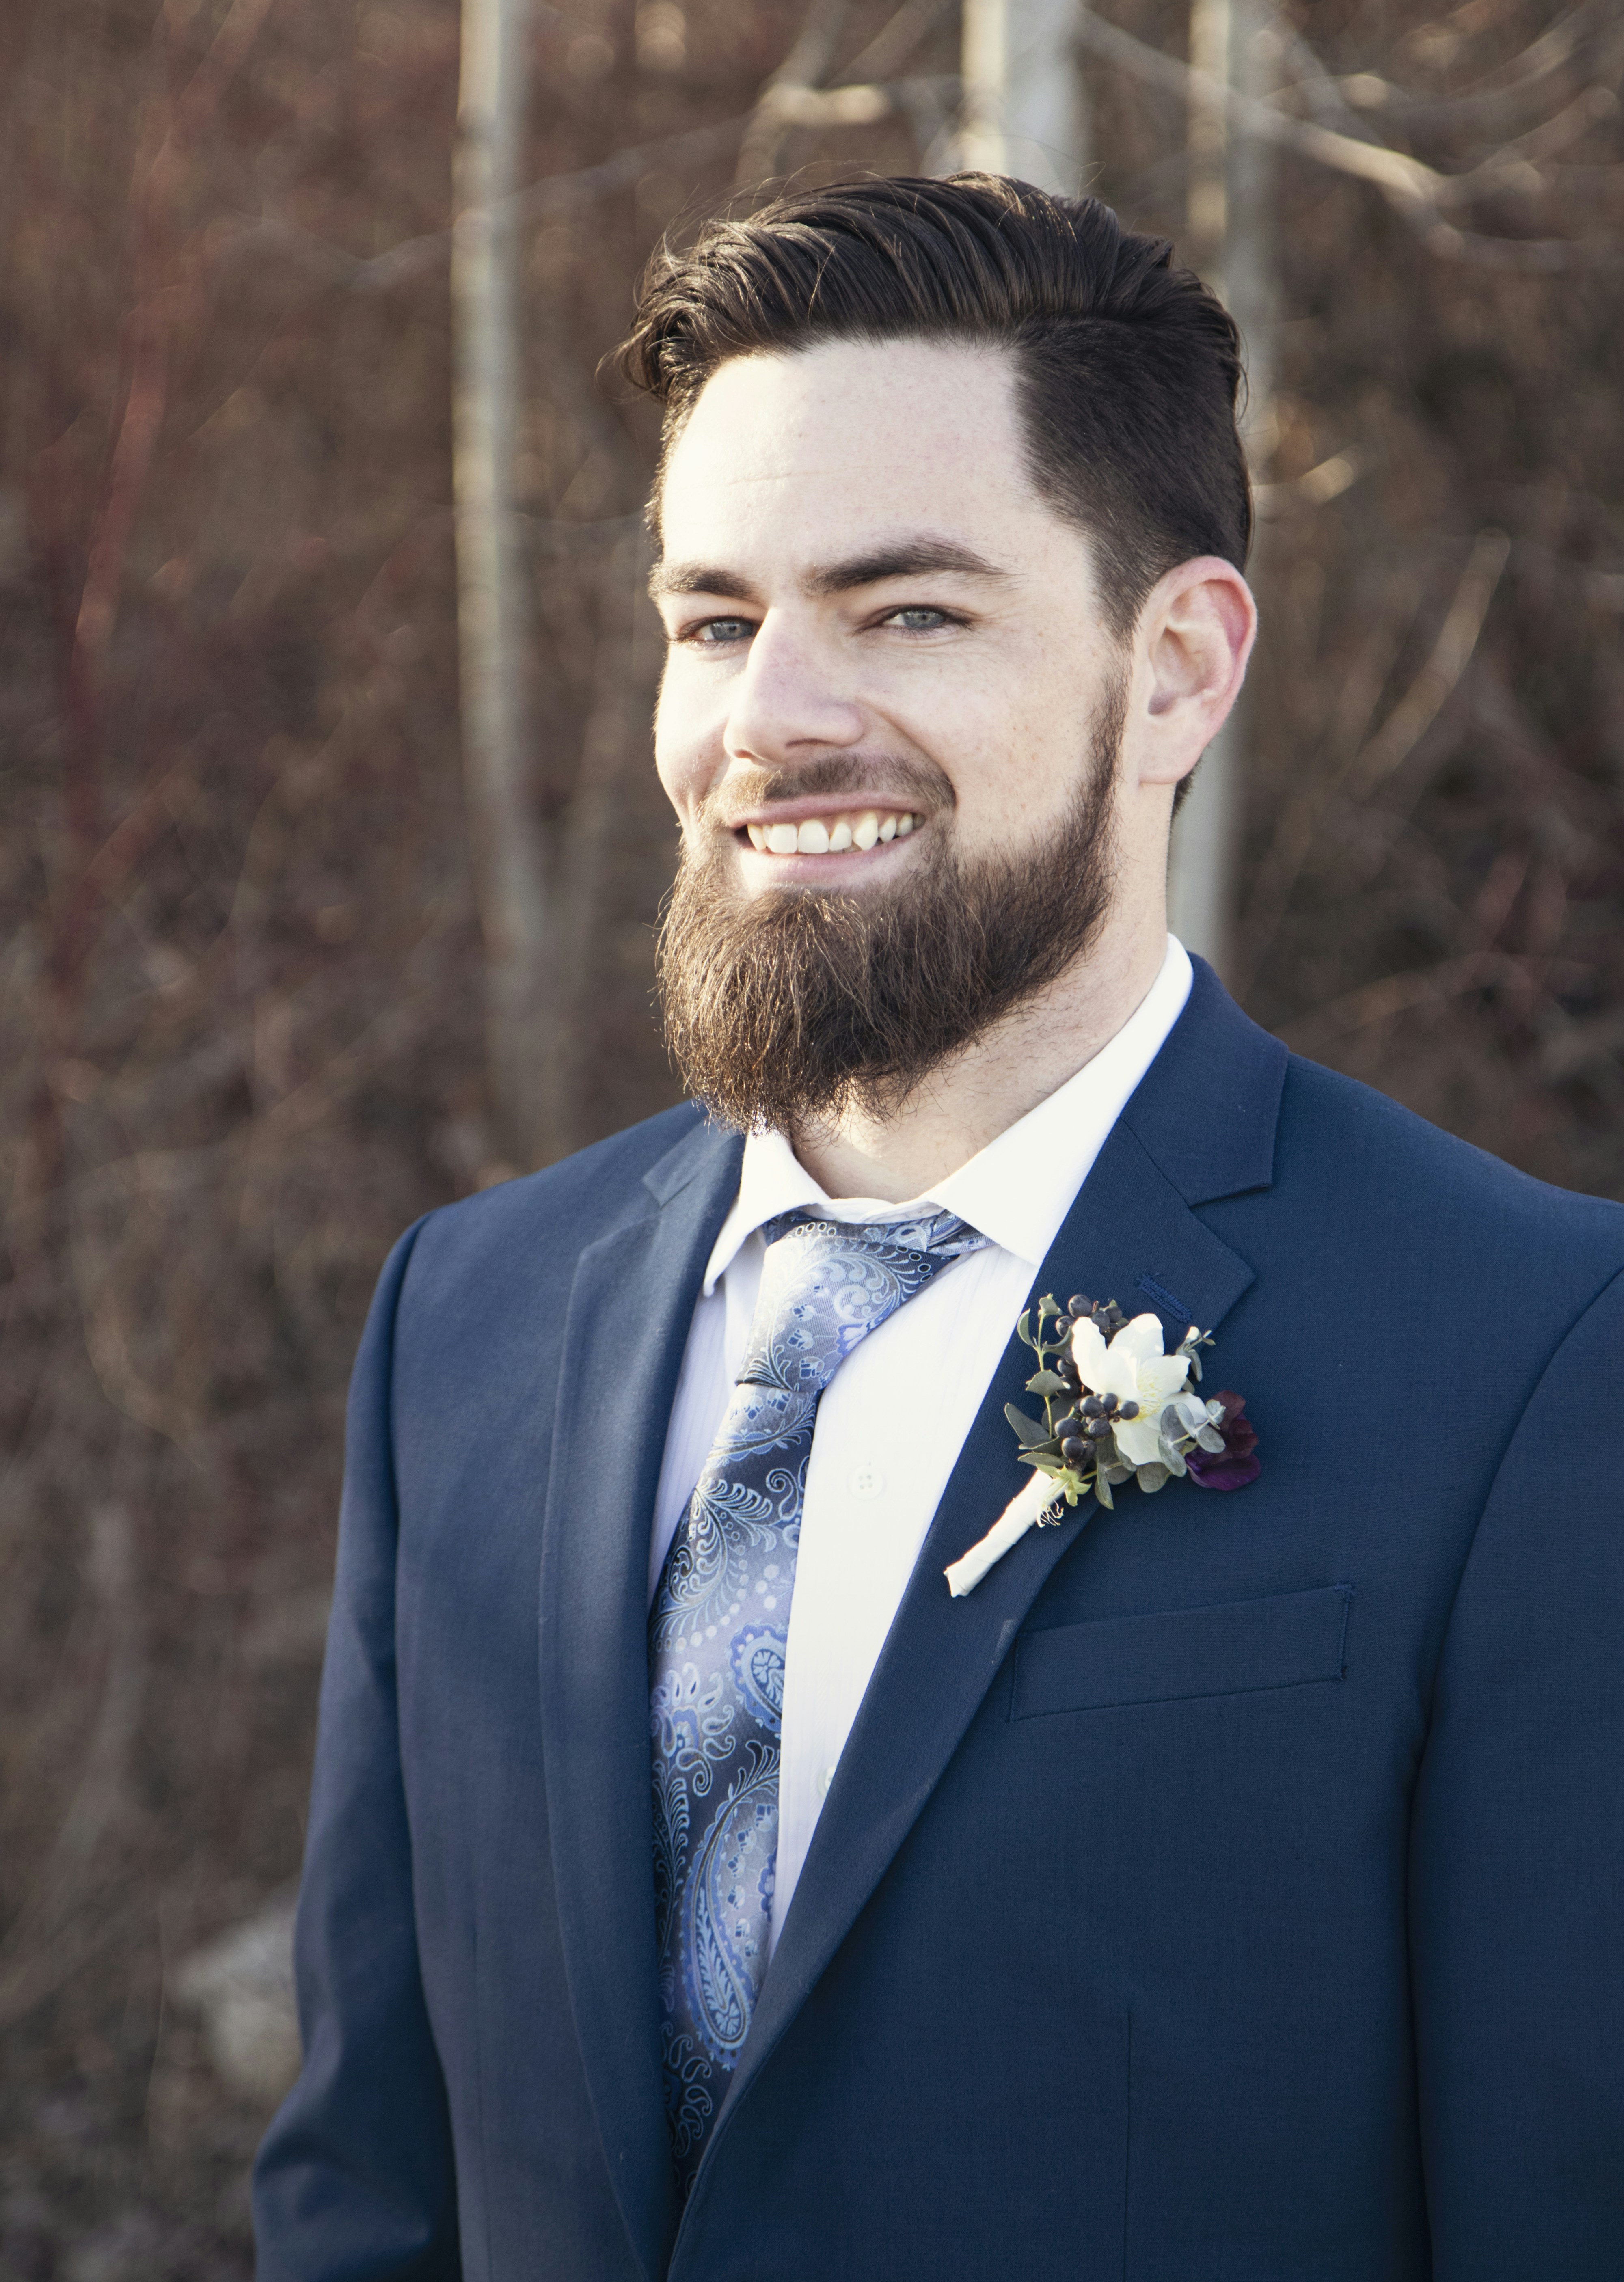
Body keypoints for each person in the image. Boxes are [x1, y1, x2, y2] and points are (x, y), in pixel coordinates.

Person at [253, 176, 1624, 2282]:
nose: (770, 723)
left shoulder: (1529, 1358)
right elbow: (374, 2184)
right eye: (716, 620)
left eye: (906, 611)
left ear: (1174, 670)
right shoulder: (471, 1322)